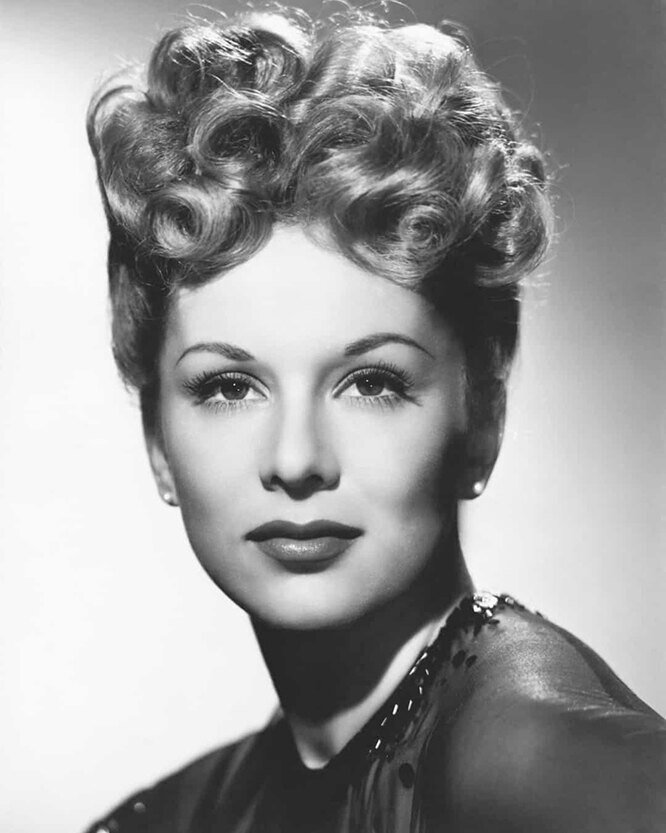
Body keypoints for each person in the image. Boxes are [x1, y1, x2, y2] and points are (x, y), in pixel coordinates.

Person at [83, 6, 666, 832]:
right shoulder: (174, 816)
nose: (296, 459)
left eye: (371, 382)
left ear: (484, 413)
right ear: (157, 439)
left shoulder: (528, 751)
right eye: (228, 387)